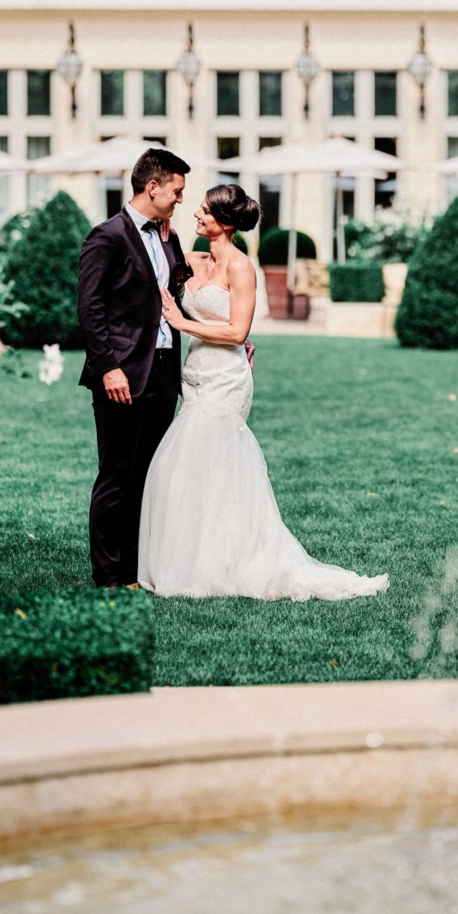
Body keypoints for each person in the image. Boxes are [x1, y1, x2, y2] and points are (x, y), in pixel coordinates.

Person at [138, 182, 389, 601]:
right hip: (194, 374)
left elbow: (238, 331)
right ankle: (193, 558)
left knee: (206, 464)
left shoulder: (240, 268)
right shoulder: (192, 260)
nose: (196, 215)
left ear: (225, 222)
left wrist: (183, 324)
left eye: (204, 211)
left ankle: (223, 564)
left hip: (227, 379)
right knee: (188, 470)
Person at [77, 148, 191, 589]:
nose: (181, 198)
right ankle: (109, 575)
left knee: (149, 475)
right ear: (153, 187)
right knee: (117, 475)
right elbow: (91, 309)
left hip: (163, 371)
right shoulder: (105, 237)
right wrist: (108, 368)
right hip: (121, 375)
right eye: (177, 191)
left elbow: (176, 299)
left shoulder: (169, 238)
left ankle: (135, 569)